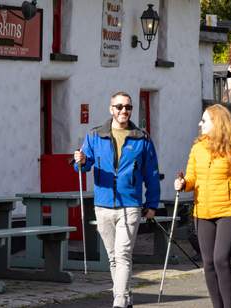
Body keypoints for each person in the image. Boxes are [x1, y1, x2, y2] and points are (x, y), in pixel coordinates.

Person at [74, 91, 160, 308]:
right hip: (103, 205)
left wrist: (152, 204)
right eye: (120, 106)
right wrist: (80, 160)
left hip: (130, 205)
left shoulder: (142, 138)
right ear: (111, 109)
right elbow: (83, 166)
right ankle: (127, 297)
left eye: (128, 107)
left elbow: (151, 174)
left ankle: (119, 301)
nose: (124, 111)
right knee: (113, 257)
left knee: (122, 254)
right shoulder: (95, 135)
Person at [174, 104, 231, 308]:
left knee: (220, 260)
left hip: (229, 210)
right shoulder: (197, 148)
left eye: (204, 120)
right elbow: (192, 177)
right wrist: (183, 184)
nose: (200, 124)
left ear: (217, 122)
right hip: (203, 211)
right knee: (208, 263)